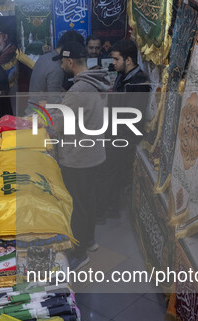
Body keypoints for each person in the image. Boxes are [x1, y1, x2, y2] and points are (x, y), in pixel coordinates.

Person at [50, 41, 110, 270]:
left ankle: (79, 251)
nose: (62, 65)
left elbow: (59, 125)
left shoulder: (78, 90)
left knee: (77, 205)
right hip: (93, 153)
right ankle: (90, 240)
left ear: (70, 61)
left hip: (78, 157)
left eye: (63, 61)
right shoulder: (98, 81)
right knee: (88, 200)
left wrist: (47, 115)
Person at [108, 39, 150, 210]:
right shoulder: (122, 76)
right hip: (115, 133)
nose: (113, 63)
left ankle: (114, 209)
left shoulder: (139, 83)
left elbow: (132, 117)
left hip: (125, 138)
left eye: (116, 59)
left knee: (115, 176)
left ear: (129, 60)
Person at [26, 30, 84, 112]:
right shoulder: (57, 68)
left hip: (32, 111)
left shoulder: (45, 57)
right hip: (40, 117)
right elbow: (54, 103)